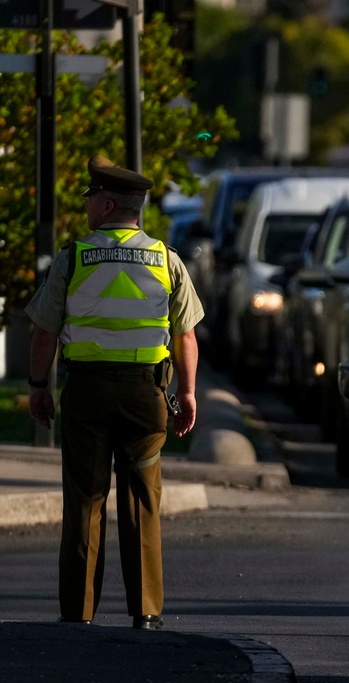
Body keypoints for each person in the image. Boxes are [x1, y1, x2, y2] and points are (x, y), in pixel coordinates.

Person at [25, 155, 204, 630]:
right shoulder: (167, 259)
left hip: (87, 393)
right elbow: (186, 335)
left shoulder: (74, 257)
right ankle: (146, 611)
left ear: (106, 205)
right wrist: (187, 394)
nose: (87, 210)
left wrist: (38, 386)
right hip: (147, 396)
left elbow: (43, 332)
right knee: (143, 501)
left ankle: (78, 613)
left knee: (85, 501)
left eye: (90, 202)